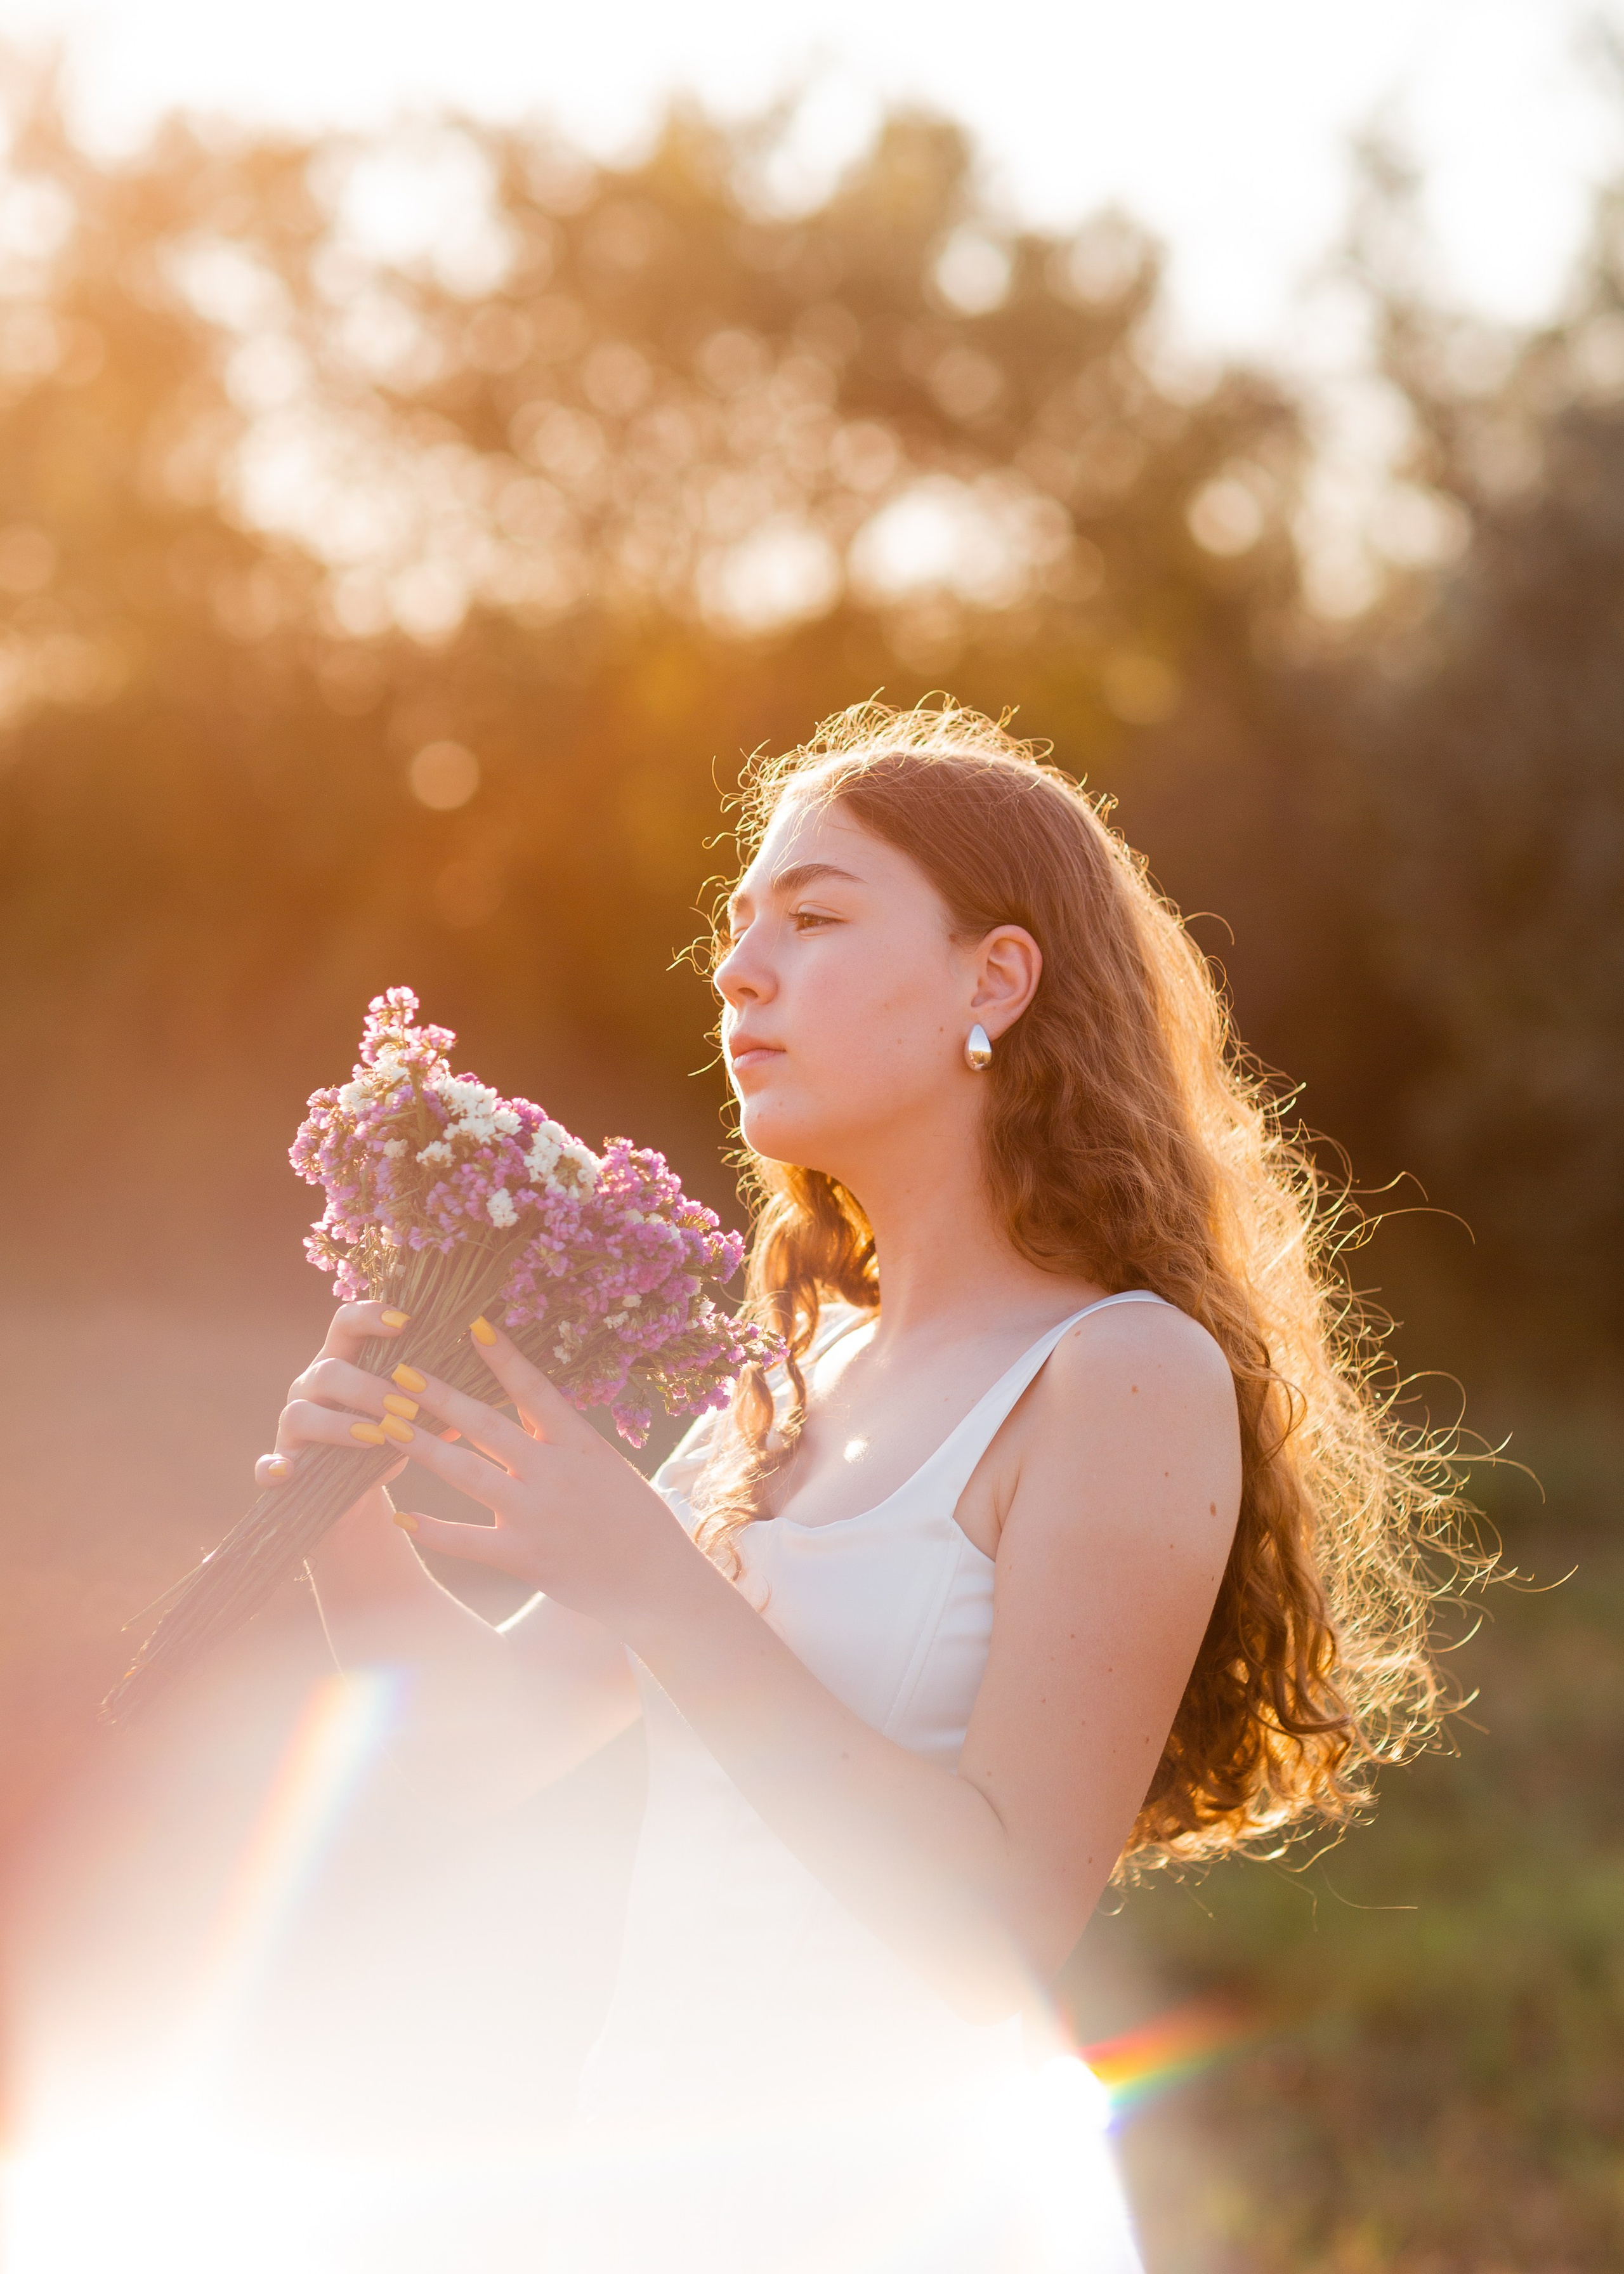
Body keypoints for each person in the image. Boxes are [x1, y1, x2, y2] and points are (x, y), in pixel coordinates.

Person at [259, 702, 1457, 2271]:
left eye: (813, 918)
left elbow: (1001, 1927)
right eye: (736, 928)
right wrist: (341, 1508)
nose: (739, 968)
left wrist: (653, 1577)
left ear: (995, 979)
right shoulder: (790, 1369)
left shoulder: (1121, 1373)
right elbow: (466, 1749)